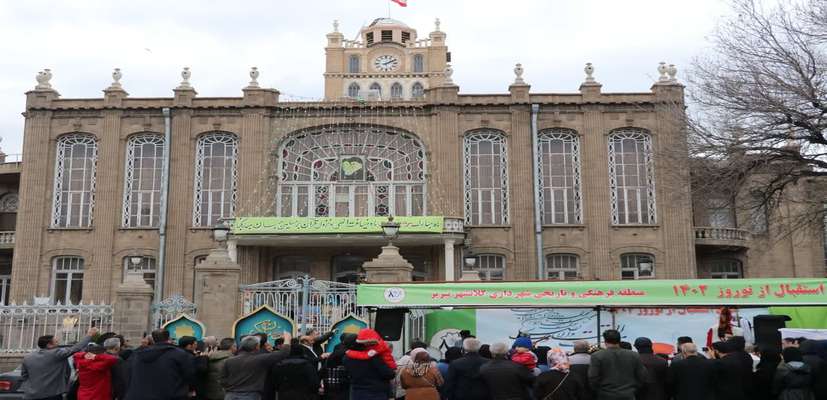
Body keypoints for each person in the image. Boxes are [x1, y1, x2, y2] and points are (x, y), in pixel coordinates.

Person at [20, 326, 97, 400]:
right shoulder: (56, 353)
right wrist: (89, 335)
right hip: (52, 395)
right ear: (49, 345)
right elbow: (75, 348)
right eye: (56, 342)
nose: (58, 343)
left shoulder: (28, 357)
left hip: (31, 395)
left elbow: (24, 375)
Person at [125, 329, 195, 400]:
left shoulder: (137, 354)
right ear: (168, 338)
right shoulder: (180, 354)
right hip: (170, 395)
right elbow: (190, 375)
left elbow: (128, 373)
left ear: (153, 339)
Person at [221, 333, 292, 400]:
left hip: (230, 395)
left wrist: (231, 387)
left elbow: (222, 379)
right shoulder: (259, 359)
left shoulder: (229, 360)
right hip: (250, 395)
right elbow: (283, 353)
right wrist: (287, 339)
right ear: (257, 346)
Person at [587, 330, 647, 400]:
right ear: (619, 340)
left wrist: (599, 390)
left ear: (605, 340)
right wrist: (633, 389)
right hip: (628, 394)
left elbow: (593, 377)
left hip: (605, 395)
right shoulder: (633, 355)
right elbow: (642, 375)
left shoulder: (597, 356)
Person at [343, 329, 397, 400]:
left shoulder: (346, 358)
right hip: (376, 393)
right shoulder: (373, 357)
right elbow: (389, 374)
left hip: (356, 393)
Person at [322, 333, 356, 400]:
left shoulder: (335, 352)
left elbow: (325, 368)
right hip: (346, 383)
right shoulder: (351, 354)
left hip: (332, 383)